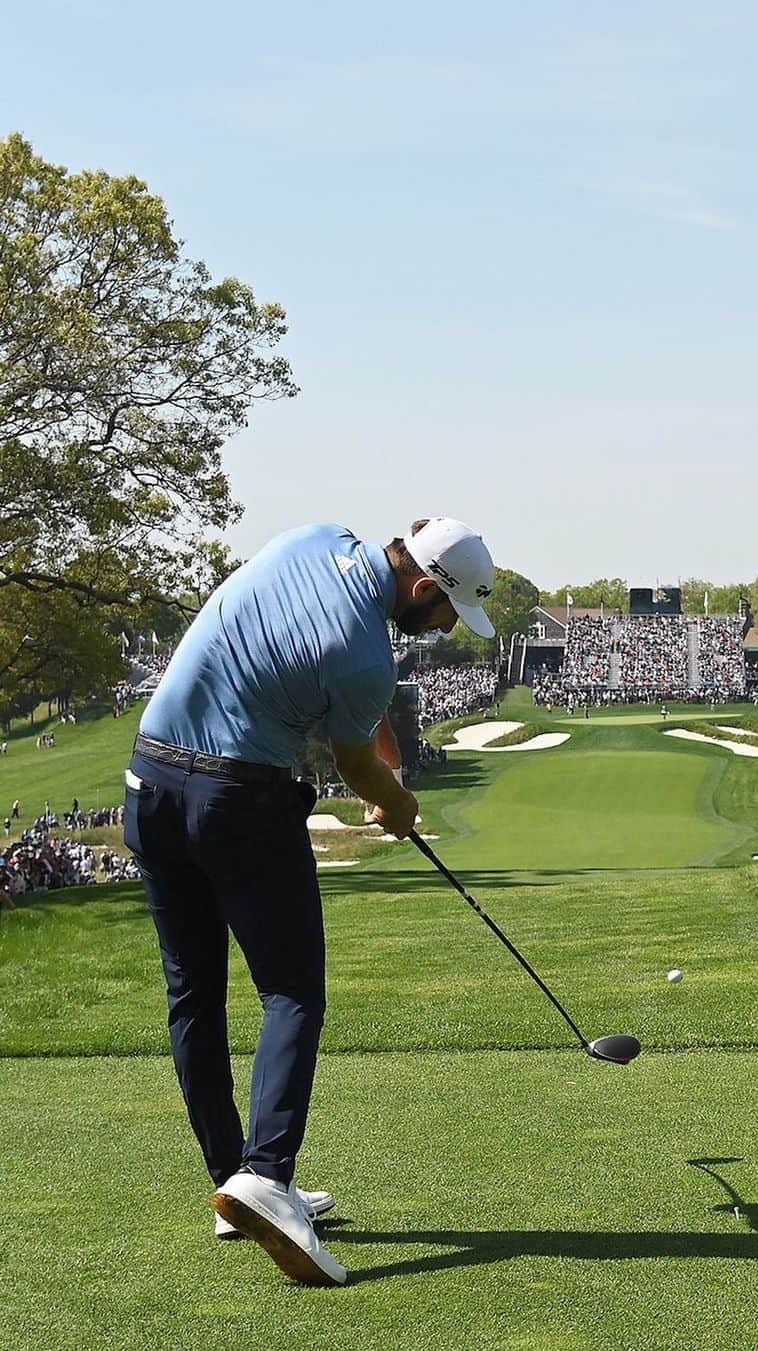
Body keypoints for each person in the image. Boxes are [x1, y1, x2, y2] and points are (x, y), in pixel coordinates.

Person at [124, 518, 496, 1287]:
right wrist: (398, 807)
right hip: (236, 798)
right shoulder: (364, 658)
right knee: (292, 991)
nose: (444, 628)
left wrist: (389, 763)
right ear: (426, 587)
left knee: (193, 993)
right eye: (448, 613)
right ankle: (266, 1174)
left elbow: (363, 722)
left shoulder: (315, 538)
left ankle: (235, 1186)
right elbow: (357, 762)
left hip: (150, 778)